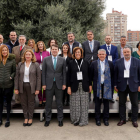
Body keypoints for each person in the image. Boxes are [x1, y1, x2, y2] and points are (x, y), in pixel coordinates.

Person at [114, 47, 140, 128]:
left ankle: (134, 120)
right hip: (122, 85)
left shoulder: (137, 61)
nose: (126, 53)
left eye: (128, 52)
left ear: (131, 52)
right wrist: (115, 85)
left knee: (135, 103)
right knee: (122, 103)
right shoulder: (118, 62)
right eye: (125, 52)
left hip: (134, 85)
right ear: (123, 53)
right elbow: (115, 74)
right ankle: (122, 119)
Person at [14, 49, 41, 126]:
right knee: (23, 103)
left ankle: (30, 118)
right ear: (24, 56)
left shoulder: (36, 64)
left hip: (31, 86)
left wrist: (37, 89)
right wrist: (16, 88)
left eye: (29, 54)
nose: (28, 56)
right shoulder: (20, 64)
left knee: (31, 102)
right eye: (26, 54)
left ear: (32, 56)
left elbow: (39, 77)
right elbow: (17, 77)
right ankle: (26, 117)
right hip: (22, 86)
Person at [42, 44, 66, 127]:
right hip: (49, 84)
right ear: (51, 50)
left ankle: (60, 119)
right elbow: (43, 73)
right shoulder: (46, 59)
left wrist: (64, 83)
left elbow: (64, 73)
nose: (54, 50)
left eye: (56, 49)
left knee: (59, 103)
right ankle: (47, 119)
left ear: (58, 50)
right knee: (48, 103)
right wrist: (44, 84)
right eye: (53, 49)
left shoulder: (62, 59)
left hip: (59, 84)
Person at [67, 47, 92, 126]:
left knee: (84, 104)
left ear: (81, 54)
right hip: (74, 85)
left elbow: (89, 75)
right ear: (74, 54)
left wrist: (90, 85)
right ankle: (76, 120)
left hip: (84, 85)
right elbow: (68, 76)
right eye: (76, 52)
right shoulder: (71, 63)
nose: (77, 53)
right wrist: (68, 87)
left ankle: (83, 120)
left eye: (79, 52)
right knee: (75, 104)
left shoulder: (86, 62)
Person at [90, 49, 114, 126]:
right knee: (97, 103)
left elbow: (112, 75)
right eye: (100, 54)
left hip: (107, 86)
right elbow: (91, 75)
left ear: (105, 55)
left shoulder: (110, 63)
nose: (101, 56)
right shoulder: (94, 63)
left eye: (103, 54)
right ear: (98, 55)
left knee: (106, 103)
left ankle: (106, 119)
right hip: (97, 86)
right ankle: (97, 119)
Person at [12, 35, 31, 107]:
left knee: (25, 84)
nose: (21, 41)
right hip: (17, 68)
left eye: (23, 39)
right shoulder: (14, 48)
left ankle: (26, 101)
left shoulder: (29, 48)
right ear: (18, 40)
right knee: (17, 84)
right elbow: (13, 59)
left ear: (25, 40)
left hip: (26, 68)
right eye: (20, 39)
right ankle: (17, 101)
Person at [0, 45, 16, 127]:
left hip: (8, 84)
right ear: (1, 51)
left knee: (8, 102)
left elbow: (14, 71)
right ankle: (0, 119)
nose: (4, 52)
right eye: (3, 50)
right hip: (0, 85)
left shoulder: (12, 60)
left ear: (8, 51)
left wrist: (11, 76)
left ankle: (8, 119)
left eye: (6, 50)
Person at [82, 30, 100, 102]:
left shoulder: (97, 43)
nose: (90, 35)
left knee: (96, 80)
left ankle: (96, 97)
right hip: (87, 63)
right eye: (88, 34)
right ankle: (88, 97)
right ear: (87, 36)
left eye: (91, 34)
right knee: (88, 80)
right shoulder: (84, 43)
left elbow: (99, 52)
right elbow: (83, 54)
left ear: (93, 35)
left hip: (96, 63)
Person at [100, 35, 118, 103]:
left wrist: (111, 63)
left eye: (109, 38)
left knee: (111, 82)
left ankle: (110, 97)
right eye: (107, 38)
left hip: (112, 67)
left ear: (111, 39)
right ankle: (103, 97)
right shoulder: (101, 47)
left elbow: (116, 57)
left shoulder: (115, 47)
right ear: (105, 39)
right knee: (103, 82)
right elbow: (101, 56)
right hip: (103, 67)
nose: (108, 40)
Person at [34, 41, 50, 107]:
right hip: (37, 71)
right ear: (37, 46)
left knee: (45, 86)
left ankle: (45, 99)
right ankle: (40, 100)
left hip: (45, 71)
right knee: (39, 86)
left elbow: (49, 61)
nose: (40, 46)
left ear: (43, 46)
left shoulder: (47, 52)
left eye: (41, 45)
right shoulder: (34, 53)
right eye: (39, 45)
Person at [116, 36, 132, 101]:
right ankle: (118, 95)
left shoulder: (129, 47)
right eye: (122, 40)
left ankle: (127, 96)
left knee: (127, 80)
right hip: (120, 65)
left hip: (127, 65)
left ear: (126, 40)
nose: (123, 41)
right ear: (120, 40)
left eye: (124, 40)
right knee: (119, 80)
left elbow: (131, 56)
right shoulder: (117, 47)